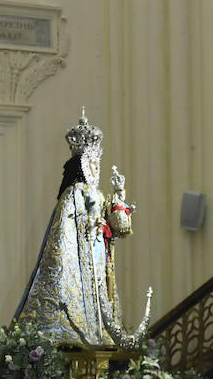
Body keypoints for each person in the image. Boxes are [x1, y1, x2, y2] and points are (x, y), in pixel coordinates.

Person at [14, 109, 147, 347]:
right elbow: (64, 234)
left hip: (99, 259)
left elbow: (120, 228)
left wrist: (119, 195)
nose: (96, 168)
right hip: (80, 257)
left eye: (98, 163)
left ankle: (100, 330)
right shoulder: (73, 194)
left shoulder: (98, 194)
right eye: (92, 163)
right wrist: (92, 226)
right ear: (82, 164)